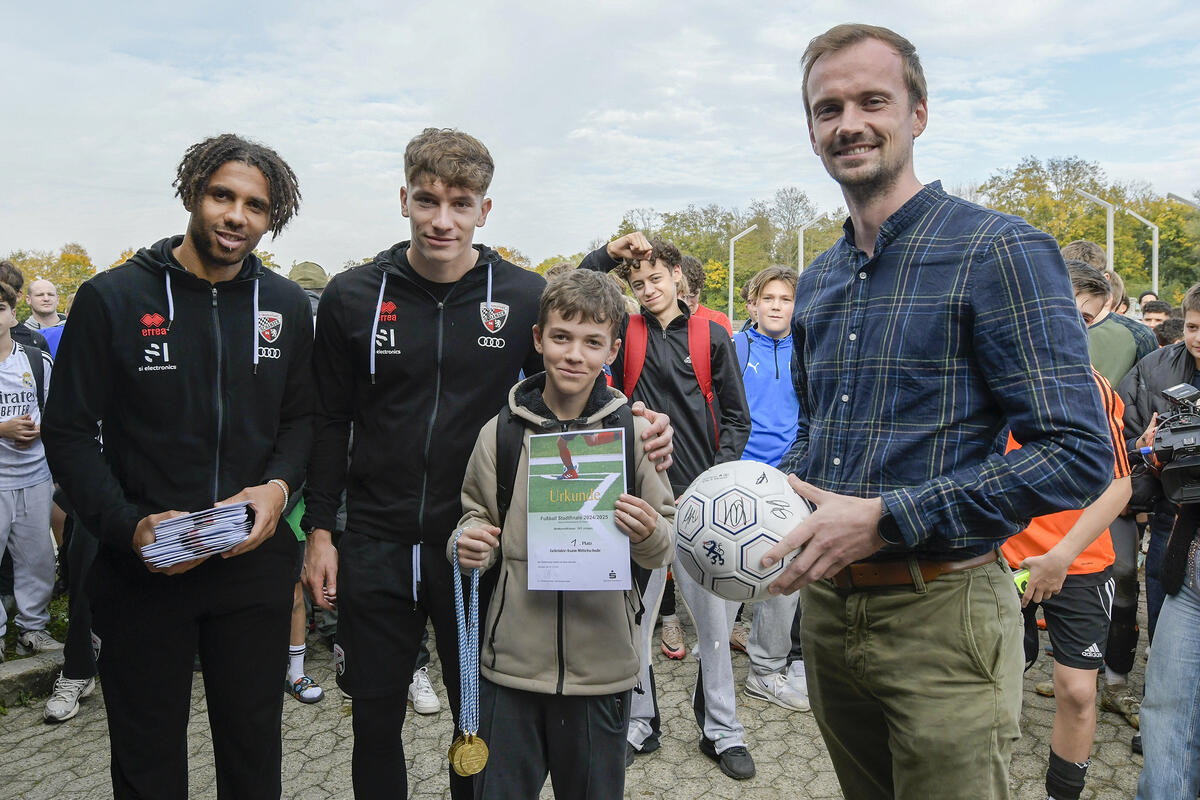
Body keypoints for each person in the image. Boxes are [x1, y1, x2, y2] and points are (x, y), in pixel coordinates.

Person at [760, 24, 1112, 800]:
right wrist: (754, 496)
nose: (848, 122)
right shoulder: (819, 279)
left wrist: (887, 516)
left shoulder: (1001, 250)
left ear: (918, 113)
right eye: (828, 108)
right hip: (828, 612)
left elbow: (1078, 452)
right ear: (813, 130)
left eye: (872, 100)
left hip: (944, 612)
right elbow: (822, 436)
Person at [301, 128, 673, 800]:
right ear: (405, 199)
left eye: (461, 203)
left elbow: (572, 384)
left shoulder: (522, 296)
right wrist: (321, 531)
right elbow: (329, 422)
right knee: (374, 720)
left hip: (479, 547)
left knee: (474, 724)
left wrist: (635, 422)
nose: (442, 219)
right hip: (376, 543)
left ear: (484, 210)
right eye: (427, 200)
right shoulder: (353, 296)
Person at [42, 133, 313, 799]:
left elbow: (304, 420)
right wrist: (129, 526)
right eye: (223, 195)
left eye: (255, 205)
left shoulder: (282, 305)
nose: (236, 216)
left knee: (253, 753)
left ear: (270, 217)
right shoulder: (113, 298)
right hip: (144, 568)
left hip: (252, 569)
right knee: (147, 758)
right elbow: (69, 432)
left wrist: (279, 488)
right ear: (194, 192)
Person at [452, 268, 675, 800]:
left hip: (603, 671)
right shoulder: (501, 432)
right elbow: (471, 515)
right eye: (561, 337)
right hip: (512, 669)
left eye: (592, 342)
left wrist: (646, 533)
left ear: (612, 350)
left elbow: (666, 538)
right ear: (538, 339)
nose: (574, 354)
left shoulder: (634, 432)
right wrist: (467, 544)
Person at [578, 234, 753, 779]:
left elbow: (737, 418)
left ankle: (723, 731)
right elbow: (577, 288)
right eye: (638, 283)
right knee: (635, 621)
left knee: (715, 629)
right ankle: (638, 722)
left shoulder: (711, 336)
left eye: (656, 278)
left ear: (677, 275)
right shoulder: (624, 335)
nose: (648, 290)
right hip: (641, 502)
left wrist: (716, 478)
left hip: (700, 505)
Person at [1001, 335, 1131, 799]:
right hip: (1002, 558)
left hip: (1078, 561)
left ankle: (1063, 793)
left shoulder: (1089, 384)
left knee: (1076, 691)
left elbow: (1121, 487)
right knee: (995, 681)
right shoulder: (989, 373)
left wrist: (1061, 556)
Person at [732, 265, 808, 713]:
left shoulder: (806, 350)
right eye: (769, 298)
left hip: (790, 477)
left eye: (786, 299)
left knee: (784, 573)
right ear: (753, 304)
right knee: (731, 563)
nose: (777, 306)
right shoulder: (738, 346)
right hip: (740, 475)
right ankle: (716, 655)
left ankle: (767, 668)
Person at [0, 279, 59, 662]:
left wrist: (44, 429)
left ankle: (33, 628)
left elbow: (59, 410)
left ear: (11, 313)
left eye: (0, 307)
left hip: (36, 475)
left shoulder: (36, 360)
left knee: (36, 557)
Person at [680, 255, 733, 335]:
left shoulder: (718, 320)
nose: (687, 303)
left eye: (693, 295)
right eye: (682, 296)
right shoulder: (662, 320)